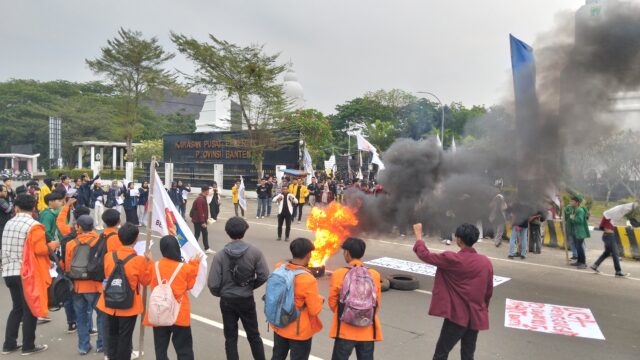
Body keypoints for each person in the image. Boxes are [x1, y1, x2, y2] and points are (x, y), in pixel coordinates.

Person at [412, 223, 493, 360]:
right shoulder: (485, 262)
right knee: (468, 355)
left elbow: (425, 255)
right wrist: (482, 310)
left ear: (459, 240)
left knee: (441, 354)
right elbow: (488, 291)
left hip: (457, 316)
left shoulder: (452, 259)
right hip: (475, 316)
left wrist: (418, 236)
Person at [1, 194, 57, 355]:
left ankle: (9, 344)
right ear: (34, 208)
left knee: (16, 308)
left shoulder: (9, 223)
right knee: (30, 309)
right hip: (26, 273)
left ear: (16, 208)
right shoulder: (34, 225)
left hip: (8, 271)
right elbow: (40, 250)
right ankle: (28, 346)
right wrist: (53, 245)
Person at [208, 217, 269, 360]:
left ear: (227, 232)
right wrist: (250, 286)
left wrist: (222, 293)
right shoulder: (255, 252)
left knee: (230, 338)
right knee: (254, 335)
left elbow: (213, 284)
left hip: (227, 300)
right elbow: (264, 275)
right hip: (246, 299)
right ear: (245, 230)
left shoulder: (220, 255)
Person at [97, 223, 151, 360]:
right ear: (136, 239)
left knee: (112, 334)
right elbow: (146, 281)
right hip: (128, 304)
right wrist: (149, 262)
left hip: (109, 301)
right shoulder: (139, 260)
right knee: (125, 337)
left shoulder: (109, 256)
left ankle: (110, 356)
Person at [144, 235, 201, 360]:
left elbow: (148, 280)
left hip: (159, 312)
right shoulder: (185, 268)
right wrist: (195, 263)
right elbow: (190, 285)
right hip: (179, 313)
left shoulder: (155, 266)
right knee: (184, 350)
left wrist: (149, 261)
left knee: (160, 349)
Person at [270, 238, 324, 360]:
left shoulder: (279, 267)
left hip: (279, 324)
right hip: (299, 331)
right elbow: (314, 310)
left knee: (277, 356)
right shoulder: (308, 279)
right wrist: (320, 299)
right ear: (308, 255)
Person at [329, 238, 382, 360]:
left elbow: (333, 301)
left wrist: (348, 314)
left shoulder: (339, 273)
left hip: (344, 330)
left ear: (347, 253)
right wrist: (363, 315)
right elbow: (376, 303)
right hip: (367, 330)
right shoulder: (374, 274)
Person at [64, 215, 105, 355]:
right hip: (94, 285)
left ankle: (83, 346)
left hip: (77, 286)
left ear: (79, 227)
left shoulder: (71, 244)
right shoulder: (98, 241)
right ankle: (101, 345)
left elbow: (68, 267)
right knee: (101, 315)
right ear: (92, 226)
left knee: (81, 317)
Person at [591, 202, 636, 277]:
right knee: (615, 254)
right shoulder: (608, 216)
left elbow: (622, 209)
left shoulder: (608, 217)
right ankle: (618, 271)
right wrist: (634, 205)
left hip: (607, 236)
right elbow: (623, 208)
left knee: (607, 253)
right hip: (609, 236)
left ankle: (595, 265)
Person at [565, 195, 590, 269]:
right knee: (578, 247)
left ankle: (583, 263)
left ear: (577, 203)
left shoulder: (580, 210)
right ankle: (579, 261)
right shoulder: (574, 209)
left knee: (580, 247)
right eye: (571, 201)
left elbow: (580, 220)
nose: (570, 202)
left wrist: (572, 219)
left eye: (572, 201)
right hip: (576, 232)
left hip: (580, 232)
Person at [190, 186, 213, 255]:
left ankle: (207, 248)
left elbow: (203, 211)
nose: (209, 192)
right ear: (205, 191)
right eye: (208, 191)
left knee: (204, 233)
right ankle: (193, 249)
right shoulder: (200, 199)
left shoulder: (203, 198)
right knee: (197, 234)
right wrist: (203, 222)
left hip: (200, 220)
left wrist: (206, 219)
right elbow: (200, 211)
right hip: (198, 221)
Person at [0, 184, 14, 257]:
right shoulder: (1, 200)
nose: (6, 193)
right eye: (4, 191)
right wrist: (11, 202)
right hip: (2, 226)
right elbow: (9, 210)